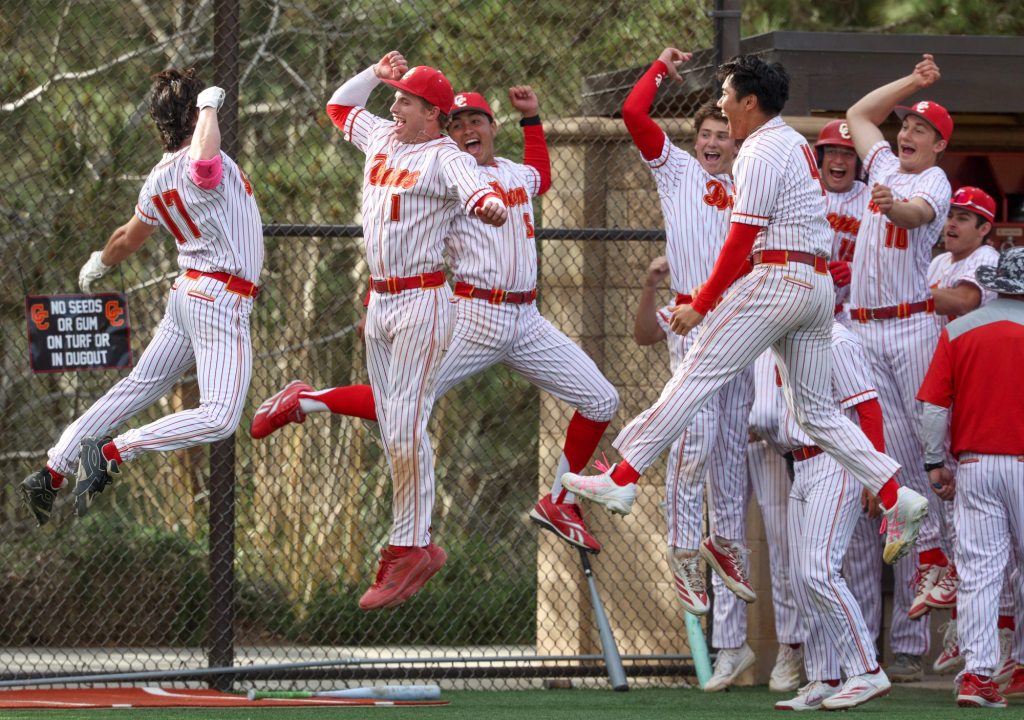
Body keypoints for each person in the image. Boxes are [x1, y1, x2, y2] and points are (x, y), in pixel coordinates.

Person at [562, 54, 928, 579]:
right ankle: (896, 494)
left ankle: (623, 473)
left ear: (749, 102)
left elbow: (741, 239)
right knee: (816, 415)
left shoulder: (757, 150)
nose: (721, 103)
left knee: (693, 375)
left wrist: (702, 302)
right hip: (814, 286)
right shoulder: (791, 142)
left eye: (727, 94)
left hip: (777, 280)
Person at [253, 86, 618, 556]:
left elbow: (541, 177)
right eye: (458, 123)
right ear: (447, 131)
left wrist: (532, 119)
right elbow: (400, 236)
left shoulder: (512, 173)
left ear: (492, 127)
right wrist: (373, 301)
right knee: (405, 403)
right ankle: (306, 400)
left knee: (601, 399)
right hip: (472, 314)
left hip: (527, 318)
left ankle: (559, 502)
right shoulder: (450, 176)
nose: (468, 129)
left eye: (477, 121)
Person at [20, 68, 263, 525]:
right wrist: (210, 104)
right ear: (195, 116)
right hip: (219, 299)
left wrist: (101, 261)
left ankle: (53, 469)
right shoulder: (201, 159)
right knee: (220, 418)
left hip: (189, 296)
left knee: (134, 389)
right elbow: (206, 167)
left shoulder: (156, 179)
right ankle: (113, 451)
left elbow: (126, 240)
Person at [316, 51, 507, 610]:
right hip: (380, 302)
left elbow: (475, 190)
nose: (393, 104)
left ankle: (412, 547)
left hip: (424, 301)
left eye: (405, 99)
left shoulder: (446, 156)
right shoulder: (383, 137)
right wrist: (375, 75)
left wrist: (490, 205)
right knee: (390, 421)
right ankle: (411, 545)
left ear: (433, 115)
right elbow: (337, 106)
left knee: (404, 428)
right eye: (395, 96)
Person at [620, 48, 754, 625]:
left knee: (729, 450)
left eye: (722, 133)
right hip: (691, 321)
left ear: (738, 141)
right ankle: (681, 550)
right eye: (705, 132)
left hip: (744, 327)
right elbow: (633, 114)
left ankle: (724, 545)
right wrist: (658, 69)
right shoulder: (675, 169)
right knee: (693, 439)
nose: (711, 142)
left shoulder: (753, 179)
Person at [845, 52, 953, 681]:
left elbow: (914, 215)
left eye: (922, 130)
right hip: (862, 329)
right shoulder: (883, 160)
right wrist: (912, 83)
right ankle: (869, 640)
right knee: (880, 473)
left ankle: (911, 640)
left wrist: (892, 206)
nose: (908, 133)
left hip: (911, 326)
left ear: (939, 146)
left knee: (915, 467)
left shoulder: (932, 182)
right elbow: (861, 113)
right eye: (907, 124)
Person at [917, 246, 1024, 708]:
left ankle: (977, 676)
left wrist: (934, 461)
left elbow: (934, 407)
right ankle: (1018, 666)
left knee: (980, 575)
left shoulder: (959, 329)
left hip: (976, 466)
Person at [775, 321, 891, 711]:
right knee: (800, 578)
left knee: (818, 570)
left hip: (835, 462)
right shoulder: (787, 338)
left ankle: (867, 669)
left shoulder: (837, 340)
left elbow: (868, 409)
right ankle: (823, 677)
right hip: (801, 466)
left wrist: (874, 475)